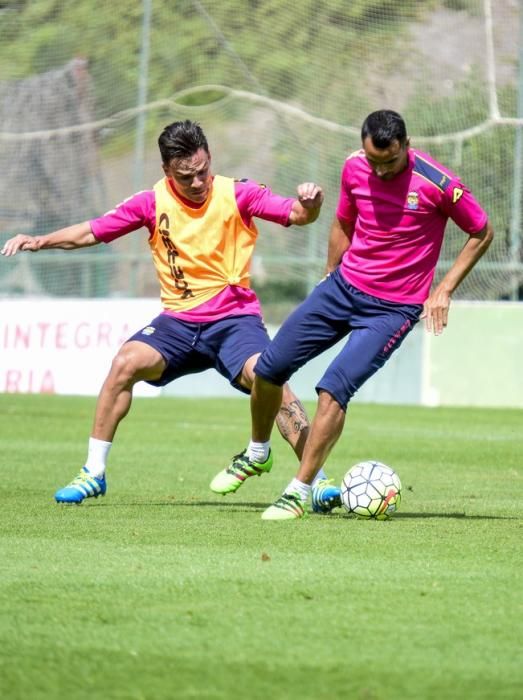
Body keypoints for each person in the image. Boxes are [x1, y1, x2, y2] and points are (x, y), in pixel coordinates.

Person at [1, 119, 325, 504]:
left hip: (234, 321)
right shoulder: (151, 202)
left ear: (210, 160)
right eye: (186, 176)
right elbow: (93, 231)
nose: (198, 182)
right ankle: (93, 473)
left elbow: (298, 215)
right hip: (177, 324)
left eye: (203, 171)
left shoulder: (239, 194)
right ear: (166, 171)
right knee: (125, 363)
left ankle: (316, 481)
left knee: (268, 376)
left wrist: (311, 204)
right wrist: (40, 241)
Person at [211, 109, 494, 520]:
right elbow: (344, 222)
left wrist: (443, 289)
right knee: (270, 368)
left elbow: (481, 231)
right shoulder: (354, 167)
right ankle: (258, 451)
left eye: (390, 162)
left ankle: (298, 491)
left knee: (333, 388)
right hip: (342, 289)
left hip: (392, 310)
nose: (380, 170)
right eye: (373, 160)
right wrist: (329, 274)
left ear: (406, 148)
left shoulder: (438, 183)